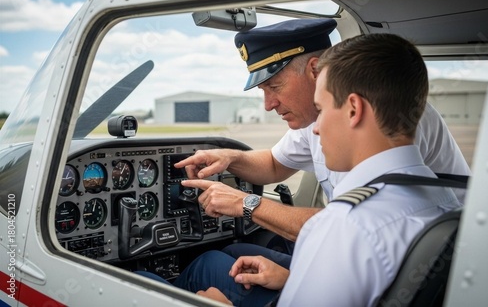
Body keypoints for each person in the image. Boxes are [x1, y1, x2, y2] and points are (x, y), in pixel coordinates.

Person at [167, 33, 462, 306]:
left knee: (186, 274)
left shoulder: (344, 227)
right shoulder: (443, 201)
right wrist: (290, 278)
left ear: (353, 110)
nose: (316, 130)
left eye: (321, 111)